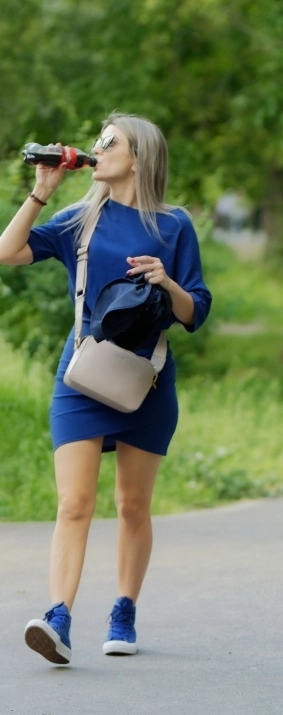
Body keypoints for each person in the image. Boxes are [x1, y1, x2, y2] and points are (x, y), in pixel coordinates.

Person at [0, 114, 212, 664]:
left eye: (108, 142)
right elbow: (7, 251)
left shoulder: (174, 225)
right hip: (82, 377)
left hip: (147, 379)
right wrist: (41, 192)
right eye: (97, 141)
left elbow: (195, 311)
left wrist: (166, 281)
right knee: (74, 503)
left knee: (132, 505)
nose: (97, 149)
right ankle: (58, 617)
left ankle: (124, 610)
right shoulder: (80, 219)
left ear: (137, 157)